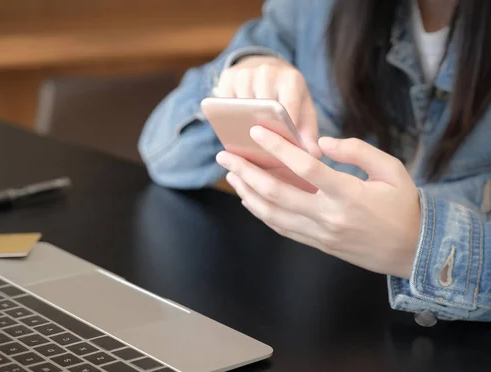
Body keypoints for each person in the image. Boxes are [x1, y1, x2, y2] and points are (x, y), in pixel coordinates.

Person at [137, 0, 491, 323]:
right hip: (322, 326)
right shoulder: (313, 10)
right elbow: (165, 154)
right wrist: (243, 72)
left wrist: (420, 245)